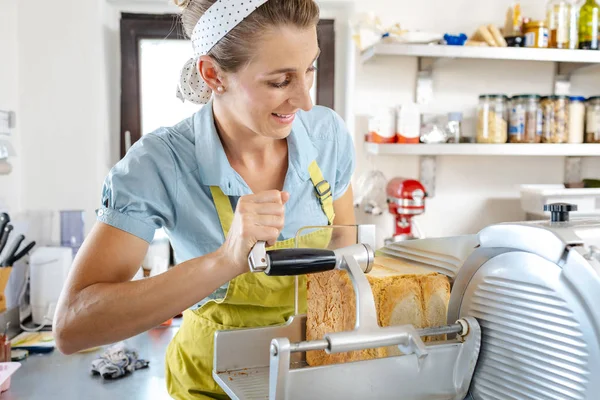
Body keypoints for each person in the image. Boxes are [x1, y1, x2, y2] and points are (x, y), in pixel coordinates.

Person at [53, 0, 356, 398]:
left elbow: (345, 259)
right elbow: (73, 329)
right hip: (209, 386)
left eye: (310, 68)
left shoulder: (327, 135)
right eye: (280, 82)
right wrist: (226, 259)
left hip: (312, 379)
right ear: (214, 74)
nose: (305, 100)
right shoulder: (160, 163)